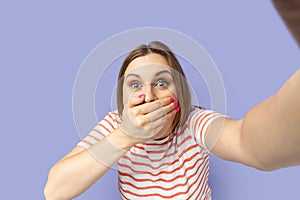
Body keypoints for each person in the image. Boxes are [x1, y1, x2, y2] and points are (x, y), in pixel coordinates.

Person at [44, 1, 300, 199]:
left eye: (161, 82)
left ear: (180, 92)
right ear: (122, 99)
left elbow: (247, 143)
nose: (150, 95)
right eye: (135, 84)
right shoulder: (114, 126)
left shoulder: (194, 123)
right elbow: (54, 191)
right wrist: (127, 135)